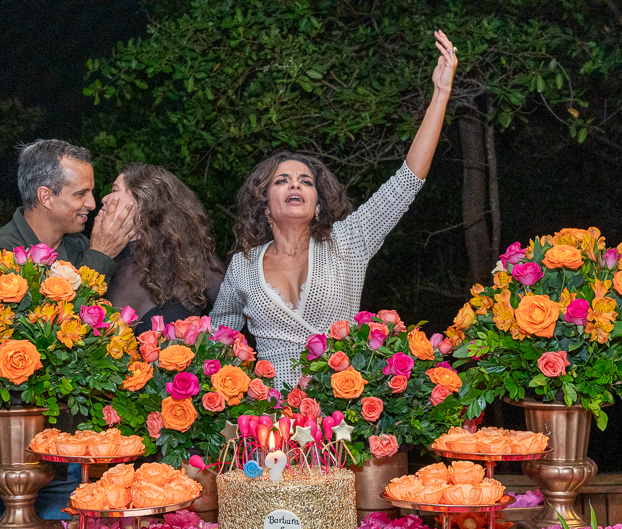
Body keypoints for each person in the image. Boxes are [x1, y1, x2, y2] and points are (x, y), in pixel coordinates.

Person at [210, 30, 459, 388]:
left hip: (338, 414)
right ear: (263, 201)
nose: (295, 184)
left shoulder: (348, 242)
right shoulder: (243, 265)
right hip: (269, 424)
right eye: (282, 181)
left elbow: (407, 180)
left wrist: (440, 94)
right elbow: (217, 345)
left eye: (306, 181)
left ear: (317, 203)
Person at [0, 139, 136, 529]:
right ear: (45, 196)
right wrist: (100, 256)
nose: (92, 203)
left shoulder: (81, 247)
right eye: (81, 192)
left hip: (60, 461)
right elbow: (48, 341)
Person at [104, 163, 224, 333]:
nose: (104, 199)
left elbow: (235, 315)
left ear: (143, 200)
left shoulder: (194, 259)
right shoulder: (106, 262)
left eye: (115, 190)